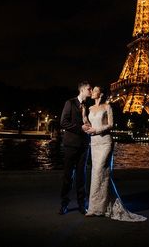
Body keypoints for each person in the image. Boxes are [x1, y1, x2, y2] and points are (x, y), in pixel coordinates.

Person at [82, 85, 147, 222]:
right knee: (97, 173)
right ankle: (95, 207)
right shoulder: (90, 109)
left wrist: (96, 130)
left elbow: (110, 125)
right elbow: (88, 123)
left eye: (94, 90)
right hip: (94, 144)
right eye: (92, 90)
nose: (92, 92)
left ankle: (100, 207)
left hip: (105, 142)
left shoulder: (107, 107)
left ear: (101, 94)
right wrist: (84, 121)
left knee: (100, 170)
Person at [59, 81, 92, 215]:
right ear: (82, 90)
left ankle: (81, 205)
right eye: (89, 89)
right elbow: (63, 122)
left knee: (82, 176)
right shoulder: (70, 103)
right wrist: (80, 128)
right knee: (68, 176)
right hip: (71, 145)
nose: (91, 91)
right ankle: (64, 204)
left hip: (84, 145)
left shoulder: (89, 106)